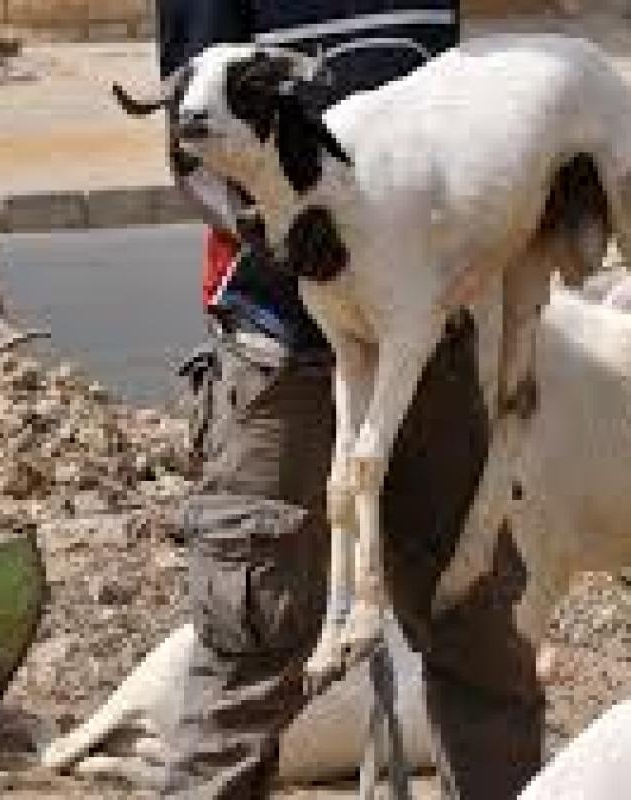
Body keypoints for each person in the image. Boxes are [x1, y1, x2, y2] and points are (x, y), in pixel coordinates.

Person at [162, 2, 547, 798]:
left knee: (473, 629)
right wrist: (282, 233)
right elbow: (195, 140)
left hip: (423, 349)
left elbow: (453, 134)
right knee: (252, 640)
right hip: (281, 351)